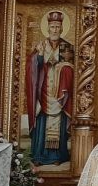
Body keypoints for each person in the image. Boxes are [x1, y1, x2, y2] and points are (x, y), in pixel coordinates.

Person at [25, 10, 74, 165]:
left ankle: (58, 156)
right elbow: (31, 67)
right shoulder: (40, 45)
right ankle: (39, 156)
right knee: (42, 123)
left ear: (61, 28)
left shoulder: (67, 47)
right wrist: (39, 57)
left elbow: (73, 69)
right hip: (43, 91)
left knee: (58, 122)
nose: (55, 30)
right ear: (48, 28)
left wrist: (64, 69)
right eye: (52, 27)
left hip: (59, 93)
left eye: (57, 27)